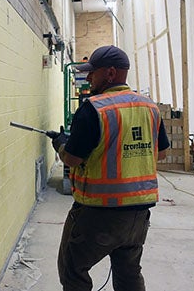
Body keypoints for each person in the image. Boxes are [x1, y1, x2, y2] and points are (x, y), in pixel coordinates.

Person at [49, 45, 170, 291]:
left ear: (111, 73)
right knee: (128, 273)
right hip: (138, 215)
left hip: (99, 212)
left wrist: (61, 145)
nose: (89, 77)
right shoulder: (149, 107)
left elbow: (71, 159)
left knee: (73, 270)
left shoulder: (93, 108)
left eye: (93, 72)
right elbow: (162, 153)